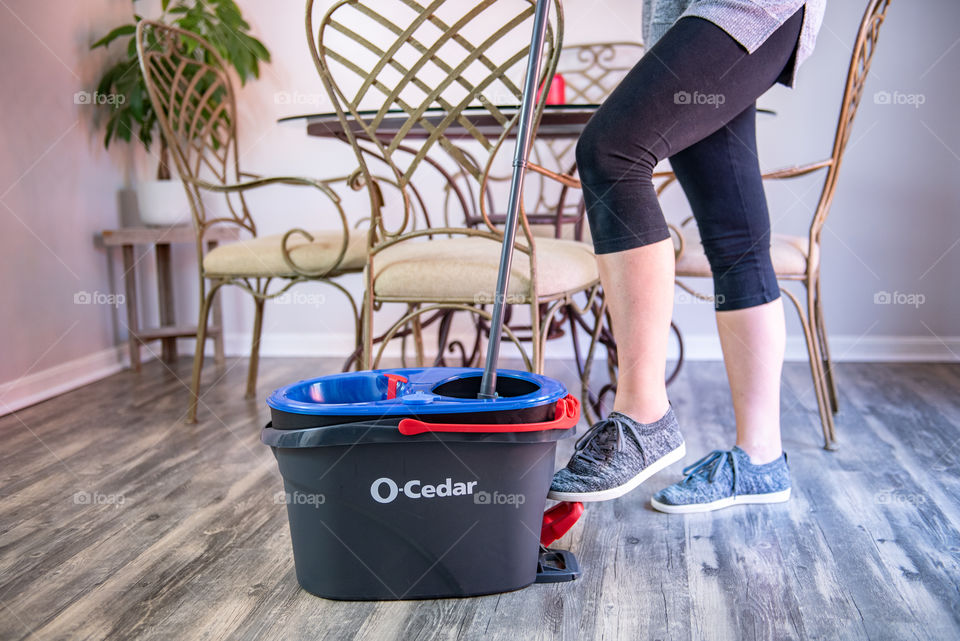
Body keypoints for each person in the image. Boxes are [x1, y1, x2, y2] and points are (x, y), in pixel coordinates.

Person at [548, 0, 826, 512]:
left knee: (610, 153)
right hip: (686, 17)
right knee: (733, 232)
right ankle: (760, 461)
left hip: (743, 8)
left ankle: (644, 415)